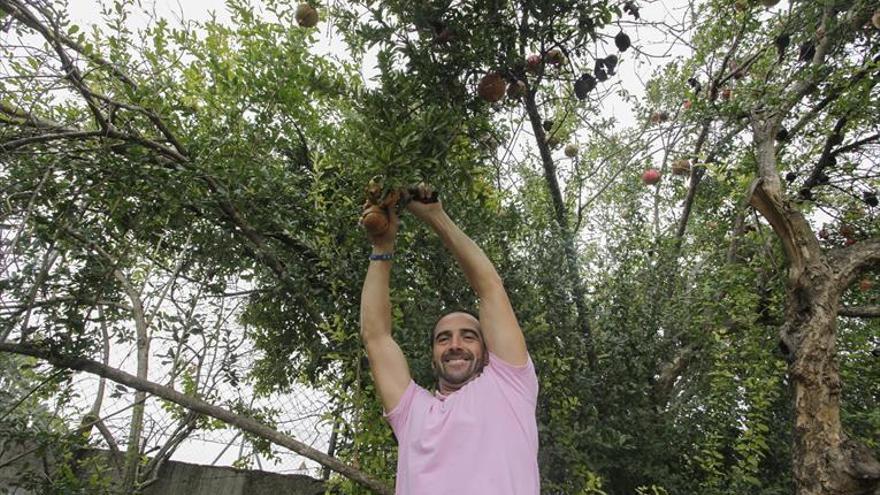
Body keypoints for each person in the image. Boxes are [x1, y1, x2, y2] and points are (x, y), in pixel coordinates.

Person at [359, 185, 539, 495]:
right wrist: (382, 246)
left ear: (486, 354)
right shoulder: (412, 413)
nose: (455, 344)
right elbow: (375, 336)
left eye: (468, 336)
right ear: (432, 356)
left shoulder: (510, 386)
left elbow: (490, 288)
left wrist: (436, 217)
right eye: (444, 338)